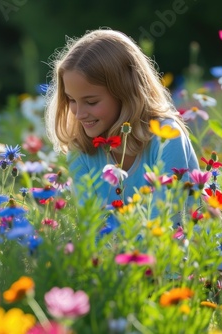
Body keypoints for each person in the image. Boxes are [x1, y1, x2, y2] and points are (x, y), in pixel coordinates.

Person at [44, 28, 199, 221]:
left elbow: (170, 222)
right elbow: (91, 227)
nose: (79, 113)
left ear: (125, 93)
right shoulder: (81, 150)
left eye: (91, 102)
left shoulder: (166, 137)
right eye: (71, 100)